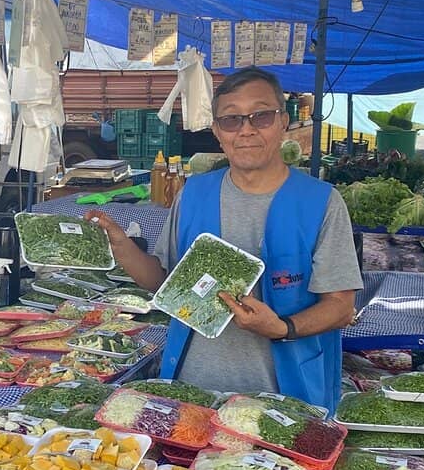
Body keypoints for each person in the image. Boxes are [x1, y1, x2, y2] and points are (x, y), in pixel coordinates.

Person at [86, 69, 362, 411]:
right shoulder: (194, 194)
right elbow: (165, 283)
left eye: (261, 116)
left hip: (287, 401)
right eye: (231, 120)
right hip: (194, 393)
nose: (246, 129)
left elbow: (340, 306)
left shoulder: (321, 201)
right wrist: (121, 247)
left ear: (283, 122)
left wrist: (281, 327)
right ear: (217, 132)